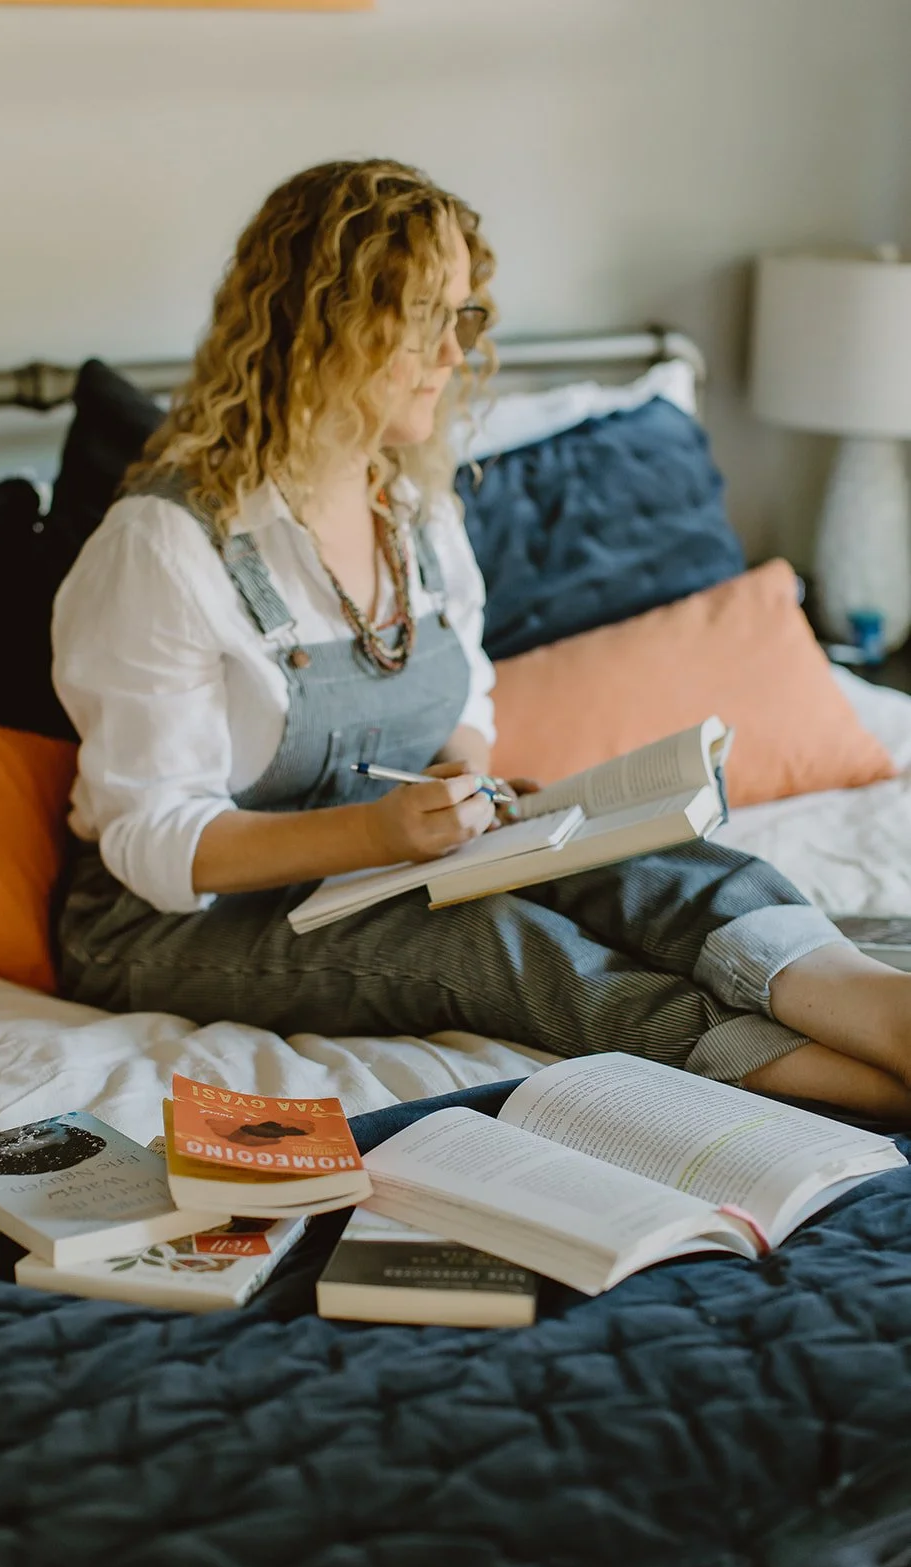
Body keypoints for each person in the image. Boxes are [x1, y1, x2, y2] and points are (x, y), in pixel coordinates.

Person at [52, 157, 911, 1120]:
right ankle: (843, 1086)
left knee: (638, 859)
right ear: (325, 323)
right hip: (172, 920)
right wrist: (377, 833)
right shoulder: (164, 544)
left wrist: (473, 786)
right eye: (429, 319)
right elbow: (151, 840)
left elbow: (462, 696)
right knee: (494, 943)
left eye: (466, 317)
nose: (456, 354)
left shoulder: (412, 506)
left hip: (375, 861)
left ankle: (878, 1008)